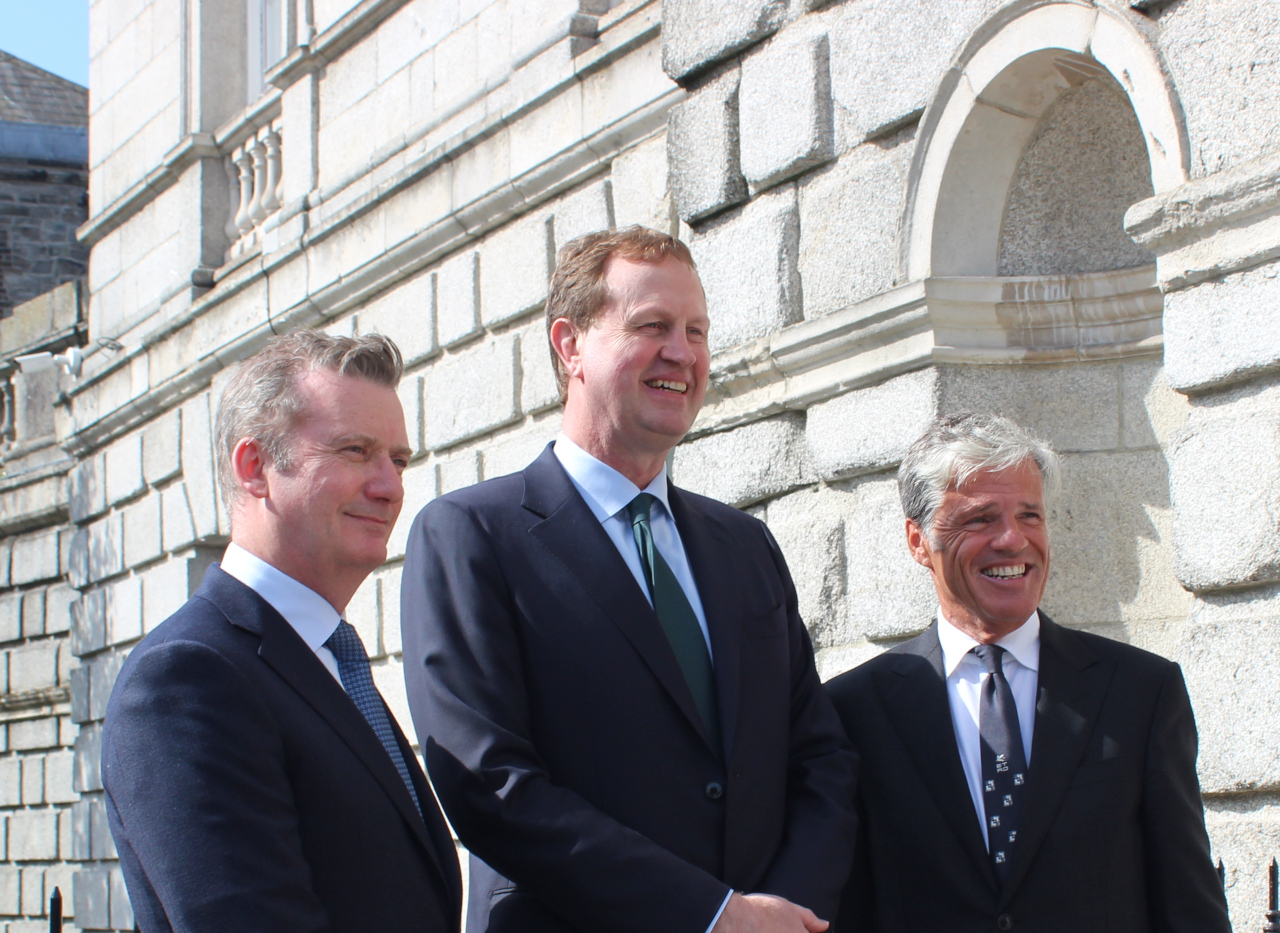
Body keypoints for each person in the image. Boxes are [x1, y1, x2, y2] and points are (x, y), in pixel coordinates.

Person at [401, 226, 857, 933]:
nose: (682, 351)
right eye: (652, 326)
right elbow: (490, 784)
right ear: (570, 344)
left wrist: (782, 915)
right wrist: (710, 916)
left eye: (696, 330)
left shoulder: (746, 546)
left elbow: (820, 755)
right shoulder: (472, 536)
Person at [101, 331, 462, 933]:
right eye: (354, 451)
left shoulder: (328, 660)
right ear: (255, 467)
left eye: (397, 460)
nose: (390, 486)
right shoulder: (186, 677)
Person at [825, 412, 1230, 933]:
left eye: (1030, 516)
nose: (1012, 540)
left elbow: (1188, 904)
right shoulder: (854, 710)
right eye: (981, 519)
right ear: (918, 541)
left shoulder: (1140, 693)